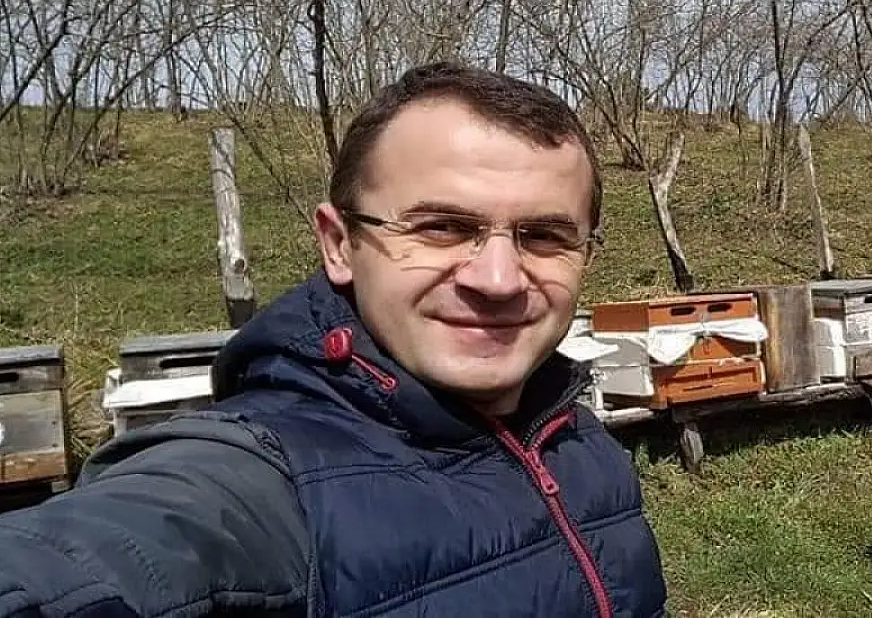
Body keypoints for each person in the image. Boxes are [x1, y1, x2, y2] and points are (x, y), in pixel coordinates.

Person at [0, 62, 668, 617]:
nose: (497, 279)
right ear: (340, 245)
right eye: (441, 227)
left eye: (545, 236)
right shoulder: (260, 482)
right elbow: (96, 556)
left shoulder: (575, 436)